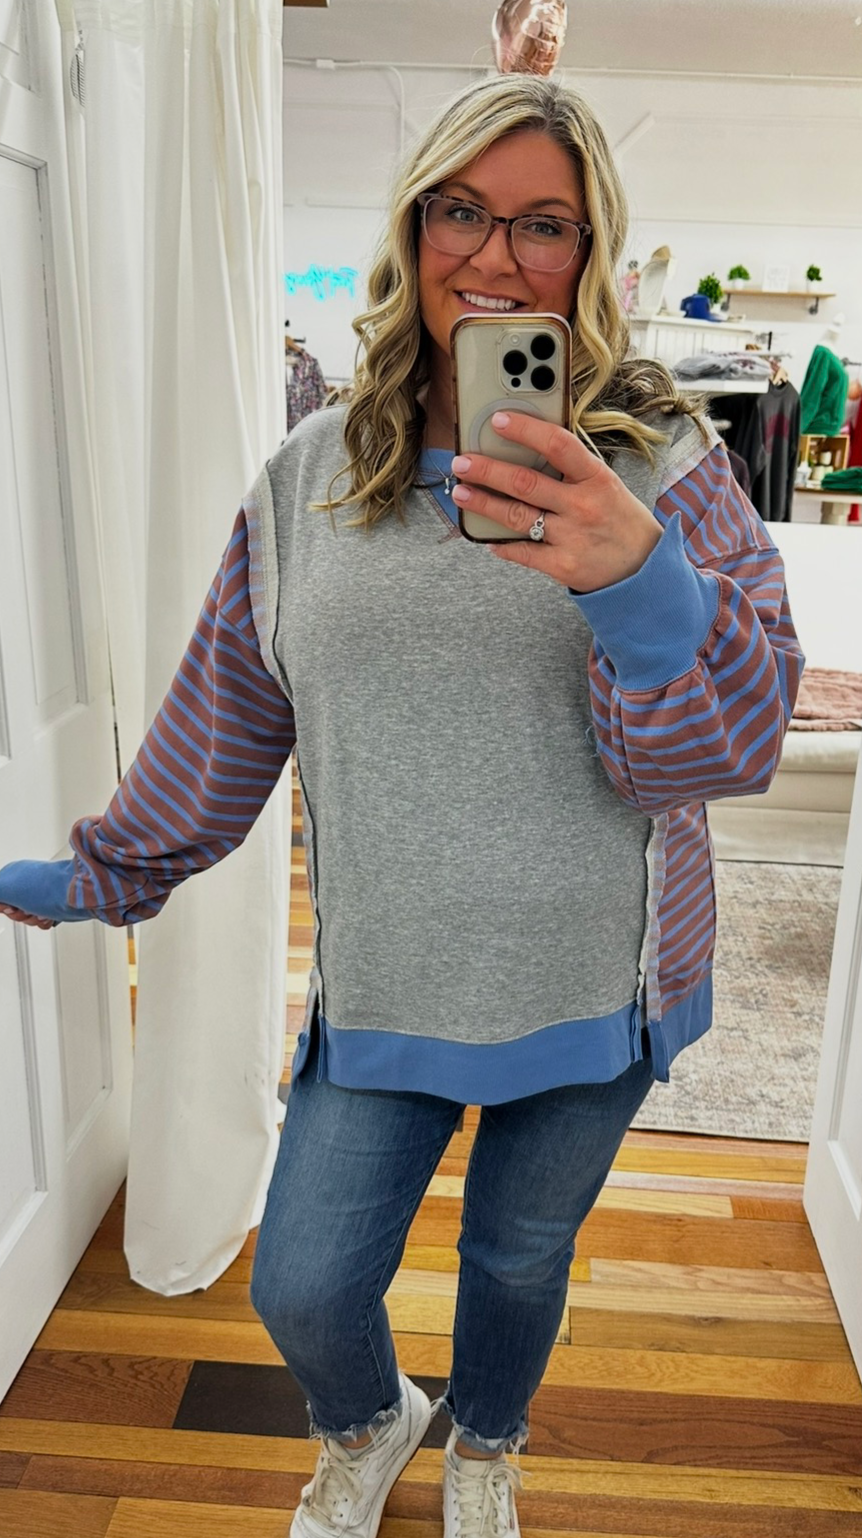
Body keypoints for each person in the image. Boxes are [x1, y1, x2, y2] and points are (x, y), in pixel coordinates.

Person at [0, 73, 803, 1538]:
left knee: (517, 1258)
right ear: (412, 225)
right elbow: (225, 721)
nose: (494, 256)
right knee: (304, 1282)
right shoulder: (305, 482)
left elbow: (728, 748)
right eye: (461, 211)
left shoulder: (664, 469)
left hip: (595, 974)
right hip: (391, 976)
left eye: (543, 224)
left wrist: (638, 578)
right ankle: (370, 1419)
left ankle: (486, 1443)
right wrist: (100, 873)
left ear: (590, 252)